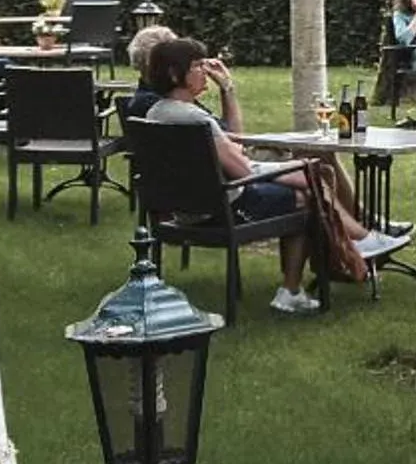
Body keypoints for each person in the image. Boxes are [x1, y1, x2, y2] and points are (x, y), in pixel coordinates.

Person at [137, 37, 398, 315]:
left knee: (308, 179)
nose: (205, 71)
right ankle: (302, 282)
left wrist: (228, 89)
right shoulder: (196, 121)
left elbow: (235, 147)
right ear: (175, 74)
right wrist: (296, 169)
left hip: (185, 210)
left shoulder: (156, 114)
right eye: (198, 65)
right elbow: (244, 171)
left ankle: (354, 245)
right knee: (306, 195)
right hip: (225, 209)